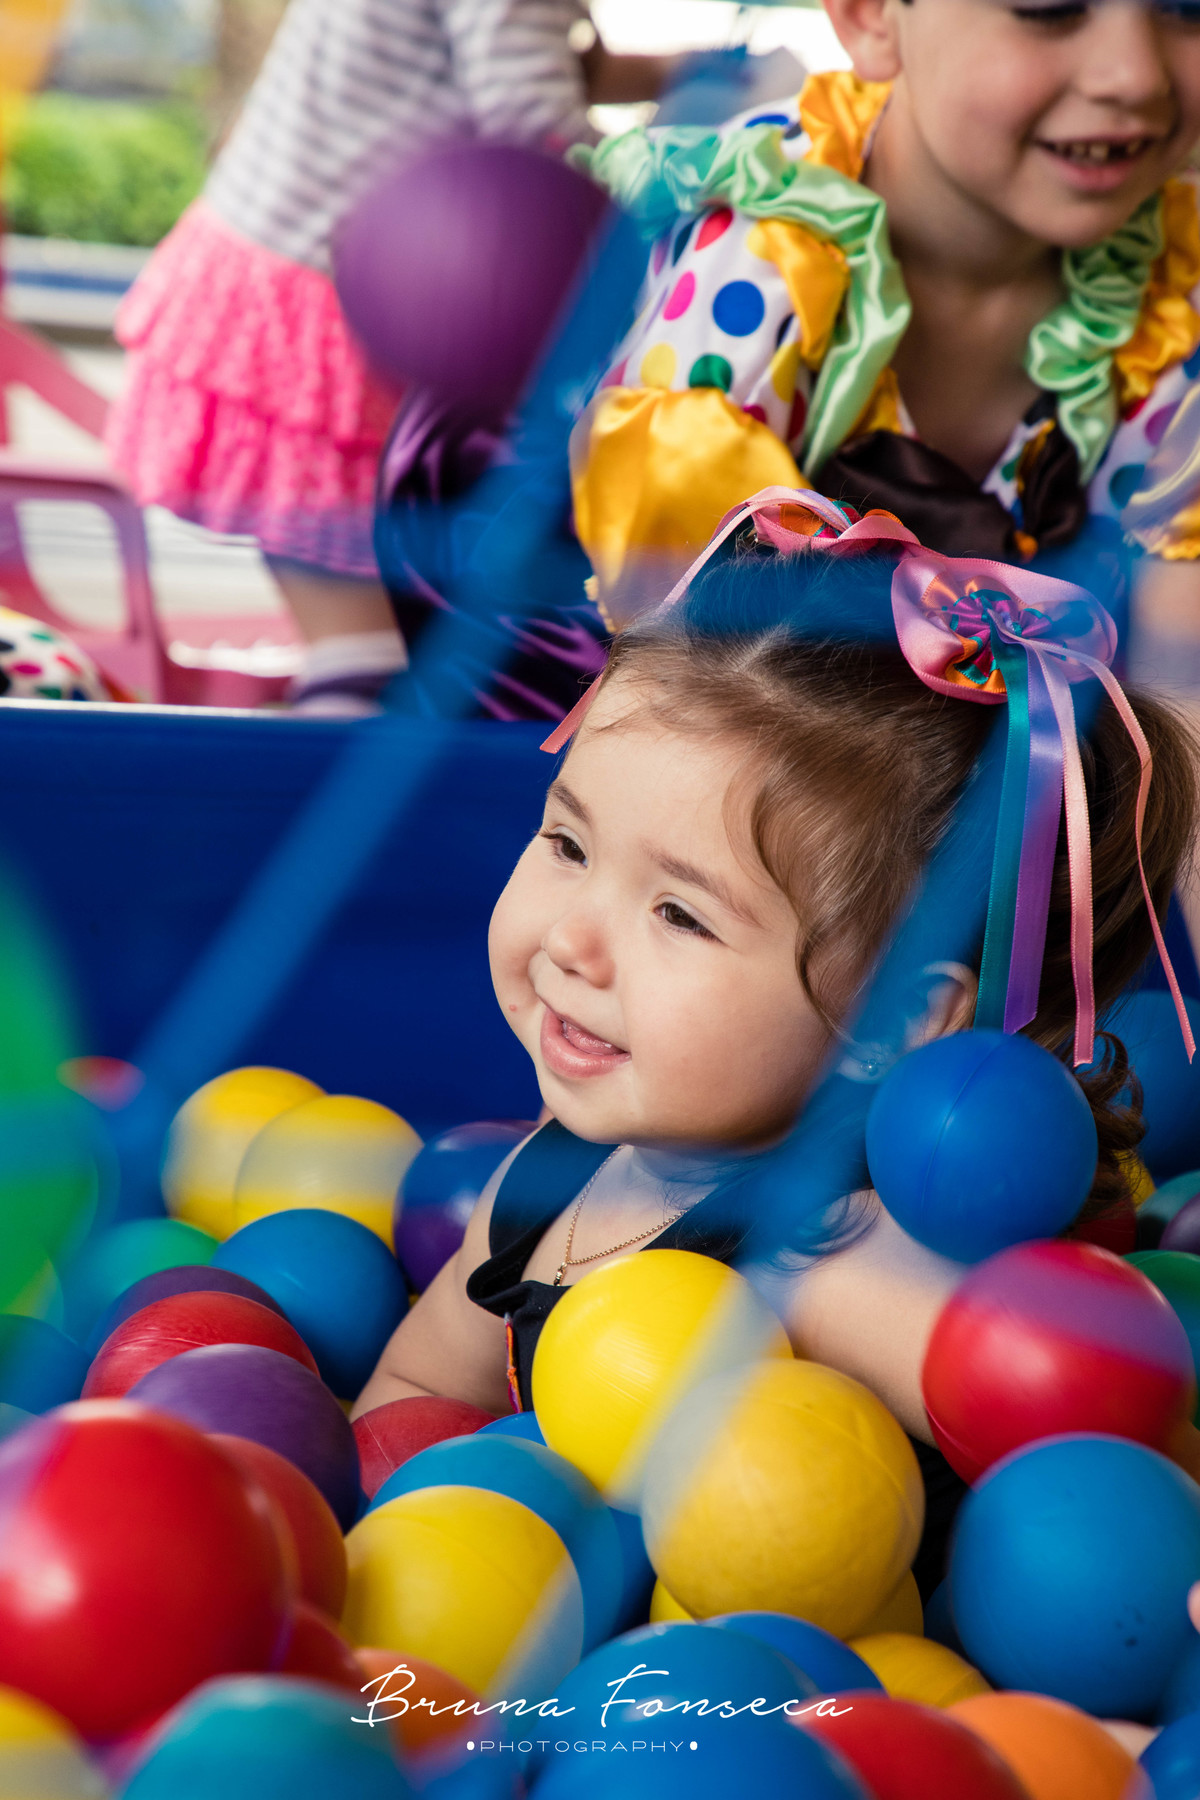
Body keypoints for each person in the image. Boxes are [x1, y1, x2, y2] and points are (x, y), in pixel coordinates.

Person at [354, 487, 1200, 1591]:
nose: (571, 941)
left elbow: (1086, 1435)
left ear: (893, 1021)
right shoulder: (541, 1180)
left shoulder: (830, 1254)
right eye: (567, 843)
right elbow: (408, 1407)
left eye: (680, 914)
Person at [565, 0, 1200, 680]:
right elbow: (681, 667)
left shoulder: (1173, 296)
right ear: (871, 17)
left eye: (1189, 6)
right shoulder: (760, 257)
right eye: (1048, 7)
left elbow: (1179, 679)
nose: (1137, 77)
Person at [103, 0, 673, 715]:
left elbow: (534, 67)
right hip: (323, 308)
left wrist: (681, 73)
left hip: (266, 267)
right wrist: (670, 192)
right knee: (363, 642)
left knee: (357, 630)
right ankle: (326, 797)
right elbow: (538, 128)